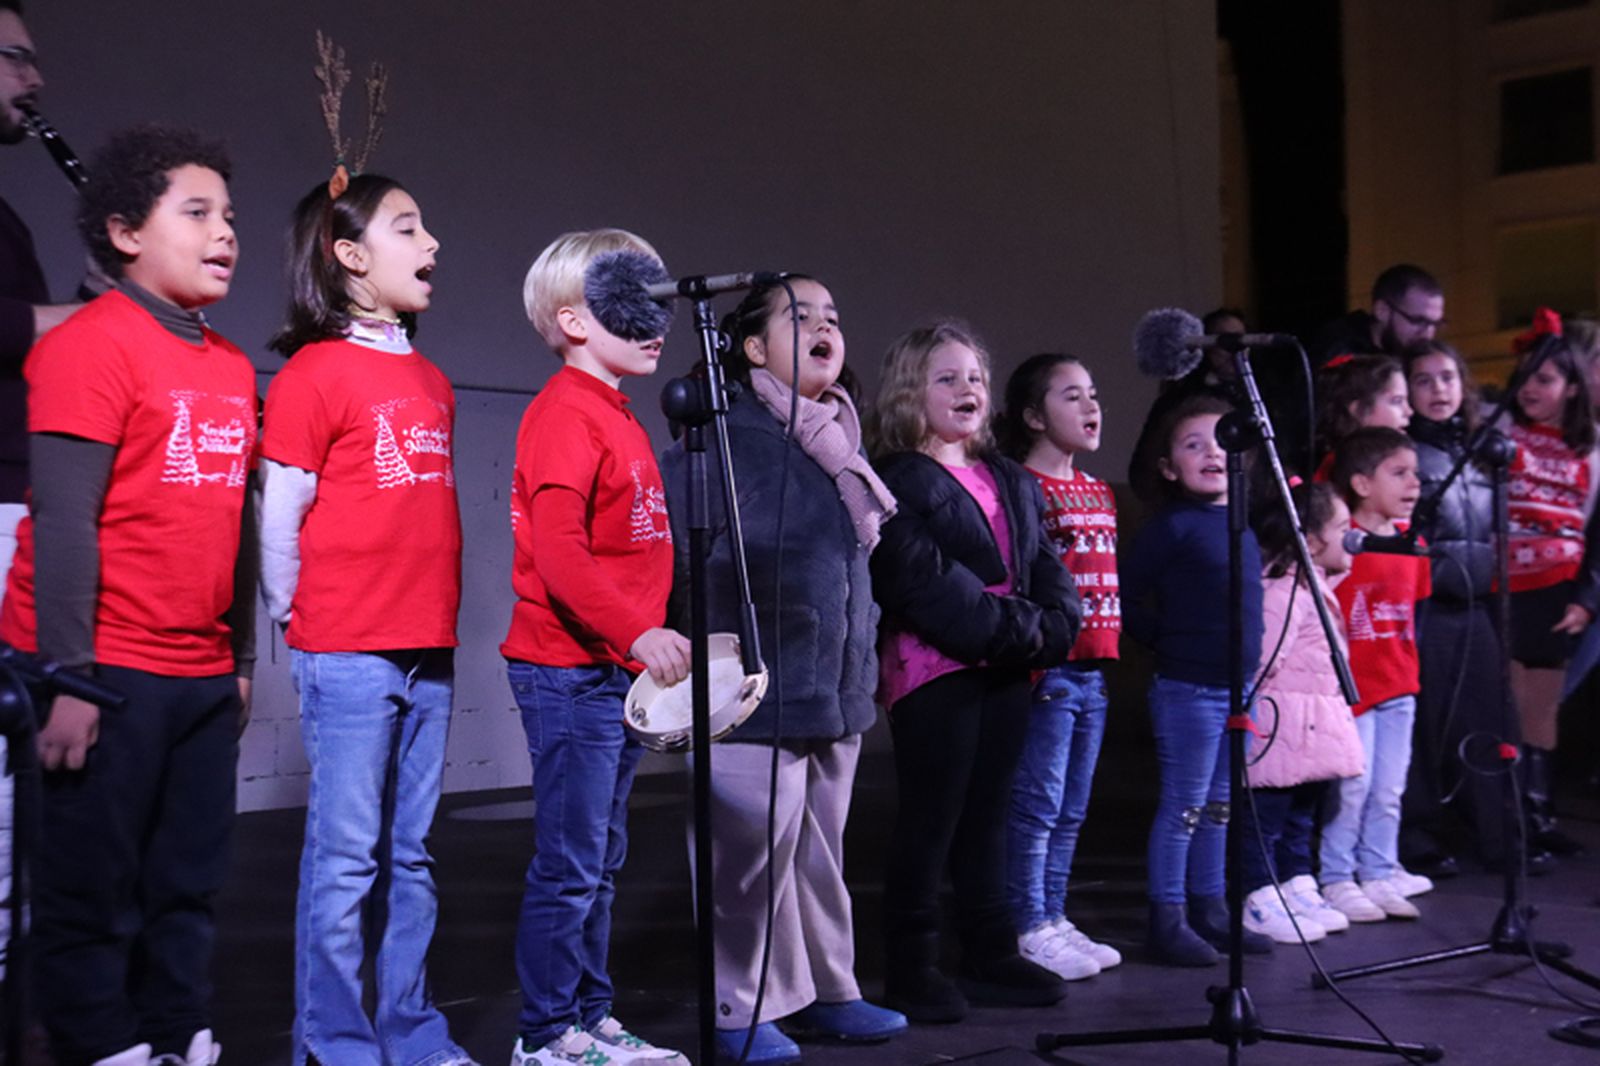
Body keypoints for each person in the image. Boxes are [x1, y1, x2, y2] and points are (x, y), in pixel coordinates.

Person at [0, 124, 254, 1066]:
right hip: (102, 669)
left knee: (187, 881)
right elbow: (65, 521)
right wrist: (69, 680)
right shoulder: (90, 346)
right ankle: (102, 1047)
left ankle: (174, 1033)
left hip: (194, 671)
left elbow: (238, 526)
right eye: (197, 213)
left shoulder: (228, 365)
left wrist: (239, 662)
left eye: (229, 215)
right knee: (91, 889)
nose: (226, 231)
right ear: (124, 231)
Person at [660, 276, 905, 1064]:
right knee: (746, 858)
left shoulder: (839, 438)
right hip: (753, 682)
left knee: (818, 854)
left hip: (833, 685)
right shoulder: (726, 434)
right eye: (800, 317)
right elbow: (682, 555)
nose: (825, 326)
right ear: (755, 348)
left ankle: (829, 992)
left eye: (833, 315)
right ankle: (740, 1006)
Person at [260, 170, 475, 1066]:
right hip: (348, 648)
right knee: (346, 860)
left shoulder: (430, 378)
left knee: (413, 855)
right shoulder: (314, 373)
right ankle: (337, 1041)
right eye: (409, 230)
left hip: (428, 646)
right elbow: (280, 510)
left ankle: (412, 1030)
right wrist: (290, 614)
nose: (432, 246)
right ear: (350, 256)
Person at [503, 229, 689, 1066]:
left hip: (607, 670)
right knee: (573, 862)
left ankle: (589, 1015)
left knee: (602, 859)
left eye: (656, 301)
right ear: (575, 320)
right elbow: (561, 554)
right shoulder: (564, 416)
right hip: (568, 671)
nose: (655, 321)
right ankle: (546, 1036)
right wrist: (637, 631)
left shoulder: (618, 415)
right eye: (629, 303)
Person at [867, 321, 1080, 1023]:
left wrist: (1049, 629)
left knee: (990, 815)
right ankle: (912, 965)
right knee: (933, 818)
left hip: (1005, 667)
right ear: (909, 391)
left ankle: (991, 949)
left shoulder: (1010, 478)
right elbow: (924, 583)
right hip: (937, 668)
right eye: (946, 378)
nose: (967, 390)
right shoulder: (897, 479)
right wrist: (1025, 633)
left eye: (975, 378)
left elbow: (1048, 572)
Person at [1122, 393, 1268, 967]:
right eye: (1192, 445)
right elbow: (1126, 595)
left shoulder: (1241, 525)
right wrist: (1169, 640)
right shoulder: (1173, 528)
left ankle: (1212, 907)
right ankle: (1167, 916)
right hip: (1189, 689)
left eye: (1218, 441)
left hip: (1240, 690)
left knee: (1220, 806)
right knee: (1185, 804)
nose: (1210, 452)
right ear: (1167, 467)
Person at [996, 353, 1122, 981]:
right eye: (1071, 396)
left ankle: (1054, 914)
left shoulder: (1097, 489)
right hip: (1050, 672)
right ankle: (1027, 921)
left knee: (1072, 807)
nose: (1090, 406)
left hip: (1094, 670)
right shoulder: (1023, 486)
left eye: (1092, 393)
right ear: (1032, 415)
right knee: (1037, 804)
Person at [1402, 342, 1533, 875]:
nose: (1439, 390)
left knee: (1492, 720)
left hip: (1478, 605)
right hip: (1429, 605)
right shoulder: (1407, 452)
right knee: (1426, 725)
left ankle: (1502, 836)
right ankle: (1418, 837)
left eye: (1448, 378)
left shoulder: (1483, 449)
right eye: (1425, 380)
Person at [1236, 483, 1364, 943]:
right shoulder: (1282, 591)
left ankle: (1293, 882)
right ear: (1310, 543)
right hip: (1280, 728)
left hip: (1310, 728)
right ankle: (1257, 893)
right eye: (1343, 529)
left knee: (1300, 818)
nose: (1354, 537)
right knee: (1265, 820)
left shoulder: (1315, 587)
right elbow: (1263, 660)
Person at [1318, 427, 1432, 923]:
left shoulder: (1414, 543)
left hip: (1399, 686)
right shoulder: (1346, 545)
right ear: (1362, 484)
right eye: (1399, 473)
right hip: (1354, 689)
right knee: (1352, 788)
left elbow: (1414, 612)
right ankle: (1336, 877)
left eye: (1417, 474)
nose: (1414, 484)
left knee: (1389, 787)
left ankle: (1379, 870)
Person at [1502, 326, 1599, 858]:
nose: (1530, 389)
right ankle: (1510, 814)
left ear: (1574, 387)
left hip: (1558, 590)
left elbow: (1596, 536)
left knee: (1542, 710)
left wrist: (1585, 600)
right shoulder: (1504, 439)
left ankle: (1538, 811)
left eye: (1545, 379)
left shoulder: (1590, 451)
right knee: (1511, 707)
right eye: (1525, 379)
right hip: (1506, 586)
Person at [1127, 308, 1243, 503]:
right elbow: (1143, 468)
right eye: (1224, 341)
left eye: (1240, 340)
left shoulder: (1258, 398)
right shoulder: (1177, 401)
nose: (1234, 351)